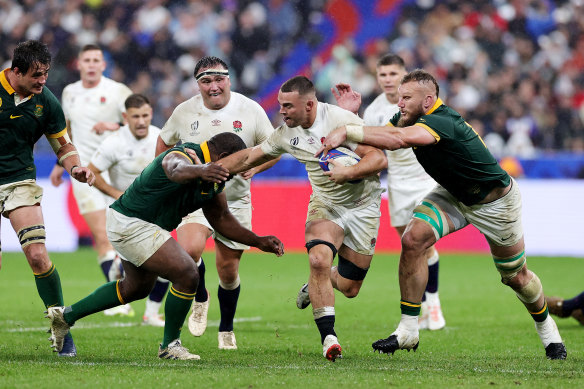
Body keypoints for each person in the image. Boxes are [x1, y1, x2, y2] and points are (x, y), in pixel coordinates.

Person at [319, 69, 567, 360]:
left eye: (406, 98)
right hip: (452, 194)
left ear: (428, 100)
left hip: (495, 204)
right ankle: (408, 330)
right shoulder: (407, 117)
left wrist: (347, 131)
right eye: (399, 97)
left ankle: (548, 330)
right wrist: (350, 117)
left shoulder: (442, 120)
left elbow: (397, 140)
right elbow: (382, 136)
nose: (399, 104)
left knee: (516, 277)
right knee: (413, 240)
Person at [45, 132, 284, 360]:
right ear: (222, 158)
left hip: (140, 226)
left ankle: (65, 316)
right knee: (188, 273)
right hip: (132, 223)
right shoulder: (186, 154)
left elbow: (221, 219)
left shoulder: (214, 181)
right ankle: (170, 345)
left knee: (135, 288)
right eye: (238, 165)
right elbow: (174, 169)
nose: (239, 172)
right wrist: (202, 169)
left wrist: (258, 241)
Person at [217, 75, 387, 361]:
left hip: (363, 206)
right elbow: (250, 157)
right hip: (325, 204)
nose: (281, 111)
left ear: (309, 104)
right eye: (281, 106)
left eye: (287, 106)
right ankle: (329, 338)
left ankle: (317, 284)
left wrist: (349, 172)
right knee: (318, 259)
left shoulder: (339, 120)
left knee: (350, 287)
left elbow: (379, 159)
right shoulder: (286, 133)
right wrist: (211, 168)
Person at [155, 56, 279, 350]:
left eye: (218, 79)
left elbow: (274, 149)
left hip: (234, 201)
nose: (213, 86)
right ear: (197, 84)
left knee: (228, 271)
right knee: (189, 251)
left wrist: (256, 168)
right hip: (195, 198)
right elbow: (163, 142)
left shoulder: (250, 109)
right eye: (206, 81)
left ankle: (226, 327)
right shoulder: (184, 111)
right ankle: (200, 296)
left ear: (229, 79)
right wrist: (163, 173)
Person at [333, 54, 445, 330]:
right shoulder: (374, 110)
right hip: (396, 185)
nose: (387, 80)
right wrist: (352, 116)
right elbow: (369, 138)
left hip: (424, 180)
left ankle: (433, 307)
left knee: (423, 243)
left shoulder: (421, 105)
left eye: (393, 74)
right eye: (382, 75)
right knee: (408, 244)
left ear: (404, 75)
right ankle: (421, 308)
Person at [0, 40, 95, 357]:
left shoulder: (46, 102)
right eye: (36, 75)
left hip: (19, 181)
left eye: (45, 74)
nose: (43, 80)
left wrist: (76, 167)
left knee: (38, 256)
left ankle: (59, 323)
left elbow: (63, 145)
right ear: (16, 71)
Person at [49, 44, 133, 314]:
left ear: (103, 64)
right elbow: (66, 129)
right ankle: (118, 297)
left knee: (118, 235)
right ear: (79, 64)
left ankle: (124, 291)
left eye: (97, 59)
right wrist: (59, 163)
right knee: (100, 236)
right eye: (87, 60)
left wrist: (115, 125)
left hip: (116, 170)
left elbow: (140, 121)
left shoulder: (118, 91)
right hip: (83, 171)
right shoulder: (69, 92)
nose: (92, 64)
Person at [88, 94, 169, 327]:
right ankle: (119, 268)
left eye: (145, 115)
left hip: (155, 212)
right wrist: (118, 195)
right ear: (125, 117)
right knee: (156, 267)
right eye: (135, 117)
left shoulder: (160, 137)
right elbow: (92, 172)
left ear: (151, 113)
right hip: (124, 215)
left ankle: (151, 313)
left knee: (170, 264)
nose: (141, 121)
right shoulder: (114, 142)